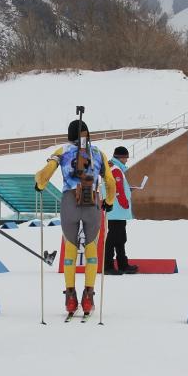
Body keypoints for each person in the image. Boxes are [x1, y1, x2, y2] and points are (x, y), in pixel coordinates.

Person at [34, 119, 116, 317]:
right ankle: (88, 297)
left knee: (70, 249)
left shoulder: (62, 151)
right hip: (93, 202)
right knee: (91, 250)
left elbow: (44, 174)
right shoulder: (98, 153)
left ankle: (70, 298)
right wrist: (109, 201)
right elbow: (110, 182)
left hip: (69, 201)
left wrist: (40, 184)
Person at [103, 145, 138, 275]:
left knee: (120, 238)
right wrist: (125, 203)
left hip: (115, 209)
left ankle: (123, 264)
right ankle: (108, 266)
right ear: (121, 157)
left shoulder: (112, 167)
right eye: (126, 158)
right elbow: (117, 189)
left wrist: (128, 190)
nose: (127, 160)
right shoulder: (116, 169)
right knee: (113, 239)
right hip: (117, 209)